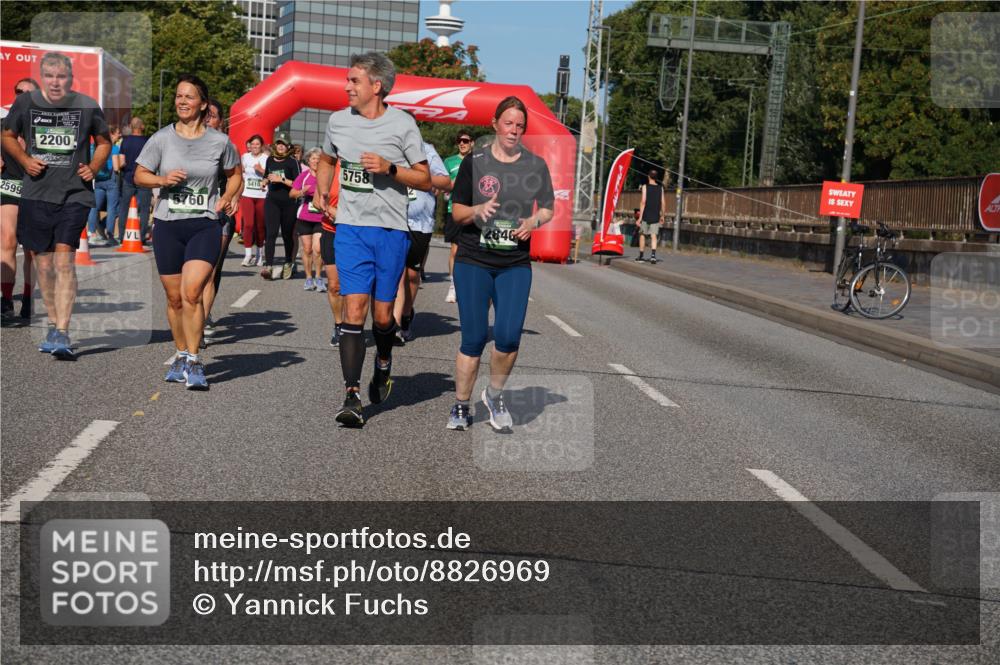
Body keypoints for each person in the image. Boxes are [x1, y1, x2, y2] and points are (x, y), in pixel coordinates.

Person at [313, 51, 430, 428]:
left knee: (382, 317)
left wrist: (390, 169)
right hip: (350, 228)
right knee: (353, 310)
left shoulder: (403, 125)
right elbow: (329, 160)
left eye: (354, 81)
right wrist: (321, 190)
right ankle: (351, 395)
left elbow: (424, 178)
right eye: (347, 81)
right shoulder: (337, 122)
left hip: (391, 231)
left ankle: (383, 363)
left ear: (376, 86)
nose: (346, 87)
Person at [447, 96, 554, 431]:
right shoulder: (475, 162)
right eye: (509, 123)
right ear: (495, 124)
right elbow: (456, 211)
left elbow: (548, 207)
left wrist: (534, 222)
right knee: (474, 338)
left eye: (520, 126)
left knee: (508, 338)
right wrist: (477, 211)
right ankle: (462, 405)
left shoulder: (535, 165)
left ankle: (494, 395)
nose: (514, 130)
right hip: (473, 259)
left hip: (514, 263)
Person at [133, 74, 241, 390]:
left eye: (189, 96)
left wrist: (228, 196)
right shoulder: (161, 139)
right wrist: (162, 181)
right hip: (168, 225)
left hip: (204, 224)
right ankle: (180, 353)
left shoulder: (219, 141)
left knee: (192, 292)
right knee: (174, 298)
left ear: (203, 104)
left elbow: (235, 174)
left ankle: (194, 361)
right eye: (178, 96)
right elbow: (140, 175)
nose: (182, 101)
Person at [2, 53, 111, 358]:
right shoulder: (26, 104)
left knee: (64, 260)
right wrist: (24, 160)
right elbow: (8, 136)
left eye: (61, 75)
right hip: (36, 193)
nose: (55, 81)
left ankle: (62, 330)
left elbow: (104, 141)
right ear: (42, 77)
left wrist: (94, 165)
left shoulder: (87, 106)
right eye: (49, 75)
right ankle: (53, 321)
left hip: (74, 193)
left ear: (70, 78)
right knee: (44, 264)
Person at [394, 139, 451, 344]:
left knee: (410, 275)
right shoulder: (386, 145)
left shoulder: (426, 149)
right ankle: (394, 324)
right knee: (397, 273)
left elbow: (446, 182)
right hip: (393, 218)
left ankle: (407, 315)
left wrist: (421, 177)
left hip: (421, 224)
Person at [200, 98, 242, 340]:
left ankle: (202, 319)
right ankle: (195, 312)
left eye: (213, 115)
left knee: (210, 269)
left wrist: (233, 196)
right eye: (205, 114)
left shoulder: (227, 146)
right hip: (190, 213)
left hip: (220, 214)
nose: (208, 119)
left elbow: (239, 177)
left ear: (221, 121)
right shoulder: (186, 143)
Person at [1, 78, 39, 323]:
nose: (23, 95)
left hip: (37, 190)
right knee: (7, 239)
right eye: (19, 91)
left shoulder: (44, 127)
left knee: (33, 250)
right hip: (9, 185)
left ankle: (28, 298)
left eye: (29, 93)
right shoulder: (3, 125)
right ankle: (5, 300)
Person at [260, 132, 300, 281]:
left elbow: (298, 184)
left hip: (289, 203)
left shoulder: (292, 162)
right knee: (270, 233)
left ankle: (288, 263)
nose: (281, 146)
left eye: (283, 144)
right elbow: (266, 175)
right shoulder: (270, 159)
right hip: (272, 201)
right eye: (278, 143)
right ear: (275, 145)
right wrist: (264, 182)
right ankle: (268, 266)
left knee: (287, 235)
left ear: (288, 146)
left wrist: (281, 179)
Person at [442, 129, 473, 303]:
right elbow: (444, 185)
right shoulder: (449, 161)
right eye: (459, 140)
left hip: (474, 211)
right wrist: (452, 185)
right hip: (454, 210)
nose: (462, 143)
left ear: (472, 143)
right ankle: (453, 287)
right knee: (455, 250)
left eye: (465, 141)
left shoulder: (478, 160)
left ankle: (468, 287)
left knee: (471, 252)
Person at [289, 147, 325, 291]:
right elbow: (291, 193)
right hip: (305, 217)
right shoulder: (303, 176)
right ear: (308, 161)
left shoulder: (326, 176)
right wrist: (301, 192)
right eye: (313, 158)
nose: (316, 161)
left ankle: (319, 277)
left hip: (321, 217)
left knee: (318, 249)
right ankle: (309, 278)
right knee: (307, 249)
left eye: (318, 158)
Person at [117, 116, 152, 244]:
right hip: (145, 178)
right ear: (142, 127)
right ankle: (141, 237)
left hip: (128, 178)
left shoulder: (125, 142)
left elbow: (122, 162)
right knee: (144, 209)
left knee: (124, 207)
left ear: (131, 127)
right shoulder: (148, 141)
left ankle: (122, 236)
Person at [87, 124, 121, 245]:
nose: (119, 135)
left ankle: (91, 233)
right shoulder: (115, 148)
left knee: (94, 207)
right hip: (111, 181)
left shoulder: (94, 146)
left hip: (98, 179)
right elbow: (116, 167)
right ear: (111, 134)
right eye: (117, 133)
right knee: (111, 208)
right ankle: (109, 235)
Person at [239, 134, 267, 266]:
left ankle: (260, 254)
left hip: (262, 195)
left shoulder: (266, 158)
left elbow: (270, 175)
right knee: (248, 224)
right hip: (247, 194)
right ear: (249, 145)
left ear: (261, 146)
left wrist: (260, 170)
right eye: (253, 144)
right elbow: (240, 173)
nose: (255, 146)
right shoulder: (245, 157)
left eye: (257, 144)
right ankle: (248, 254)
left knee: (260, 226)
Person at [635, 169, 666, 264]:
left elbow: (643, 201)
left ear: (648, 176)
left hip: (646, 215)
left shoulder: (645, 187)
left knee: (642, 235)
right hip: (655, 215)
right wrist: (663, 215)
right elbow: (663, 202)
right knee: (653, 236)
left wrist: (640, 218)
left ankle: (641, 256)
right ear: (656, 178)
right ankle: (653, 256)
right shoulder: (660, 188)